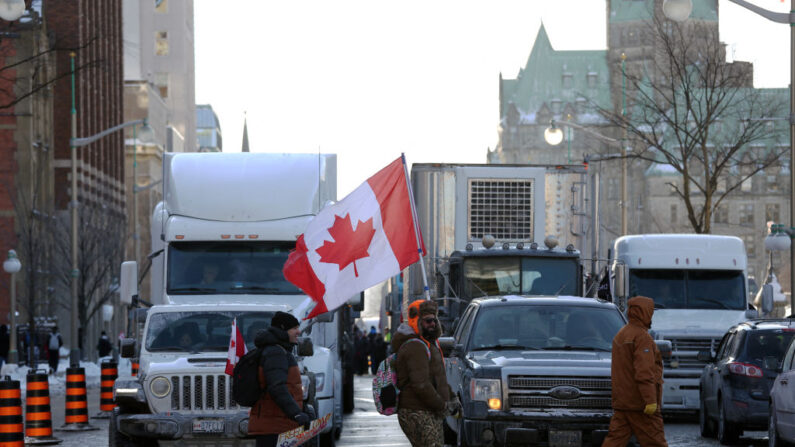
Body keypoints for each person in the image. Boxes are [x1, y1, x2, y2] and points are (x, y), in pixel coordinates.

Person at [602, 296, 668, 447]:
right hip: (640, 404)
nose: (651, 315)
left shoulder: (622, 334)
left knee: (614, 441)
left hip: (623, 403)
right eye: (650, 312)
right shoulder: (641, 337)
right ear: (644, 312)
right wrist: (650, 401)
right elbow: (644, 373)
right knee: (655, 441)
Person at [393, 300, 460, 447]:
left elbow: (436, 379)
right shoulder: (415, 346)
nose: (433, 324)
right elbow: (421, 384)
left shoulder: (428, 344)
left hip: (427, 410)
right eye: (428, 320)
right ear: (416, 321)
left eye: (434, 320)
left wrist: (451, 397)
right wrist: (442, 406)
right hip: (416, 411)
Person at [248, 311, 312, 447]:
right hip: (274, 428)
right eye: (294, 328)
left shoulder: (279, 351)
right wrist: (296, 414)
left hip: (279, 425)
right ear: (283, 330)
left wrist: (301, 408)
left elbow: (288, 387)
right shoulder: (275, 353)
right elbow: (277, 387)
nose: (298, 332)